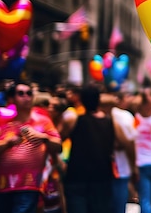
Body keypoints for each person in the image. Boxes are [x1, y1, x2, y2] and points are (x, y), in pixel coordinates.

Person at [0, 81, 62, 213]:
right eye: (21, 94)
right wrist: (7, 143)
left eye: (29, 93)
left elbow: (58, 146)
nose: (26, 97)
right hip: (2, 186)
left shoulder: (43, 121)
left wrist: (44, 137)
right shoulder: (2, 122)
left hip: (29, 185)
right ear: (11, 99)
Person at [61, 84, 124, 213]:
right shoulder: (110, 122)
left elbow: (58, 140)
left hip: (77, 176)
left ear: (82, 100)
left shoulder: (73, 120)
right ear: (98, 100)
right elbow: (123, 143)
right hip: (102, 177)